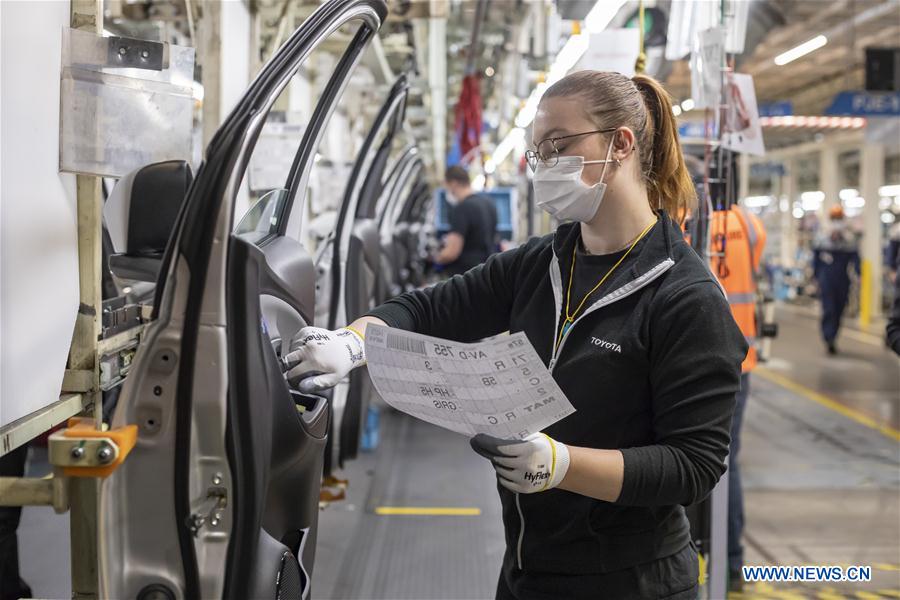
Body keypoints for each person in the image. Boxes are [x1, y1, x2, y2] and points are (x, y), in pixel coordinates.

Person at [283, 70, 747, 599]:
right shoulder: (541, 264)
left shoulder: (684, 296)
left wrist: (562, 465)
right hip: (528, 566)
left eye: (559, 146)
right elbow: (426, 309)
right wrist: (352, 343)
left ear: (620, 144)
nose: (545, 166)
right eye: (538, 153)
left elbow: (693, 466)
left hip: (630, 582)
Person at [709, 203, 767, 591]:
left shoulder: (675, 216)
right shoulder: (748, 222)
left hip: (696, 357)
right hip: (740, 358)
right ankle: (732, 563)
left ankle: (711, 557)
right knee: (726, 461)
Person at [812, 205, 860, 355]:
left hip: (842, 280)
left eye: (839, 218)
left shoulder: (849, 240)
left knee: (839, 309)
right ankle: (829, 338)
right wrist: (815, 278)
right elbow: (816, 261)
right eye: (834, 218)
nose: (837, 222)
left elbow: (856, 259)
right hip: (826, 279)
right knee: (829, 309)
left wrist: (859, 274)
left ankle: (833, 336)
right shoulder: (821, 238)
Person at [435, 165, 499, 276]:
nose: (447, 191)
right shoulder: (489, 204)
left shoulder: (461, 209)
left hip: (467, 276)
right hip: (487, 273)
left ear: (453, 184)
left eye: (447, 187)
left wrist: (435, 259)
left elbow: (452, 252)